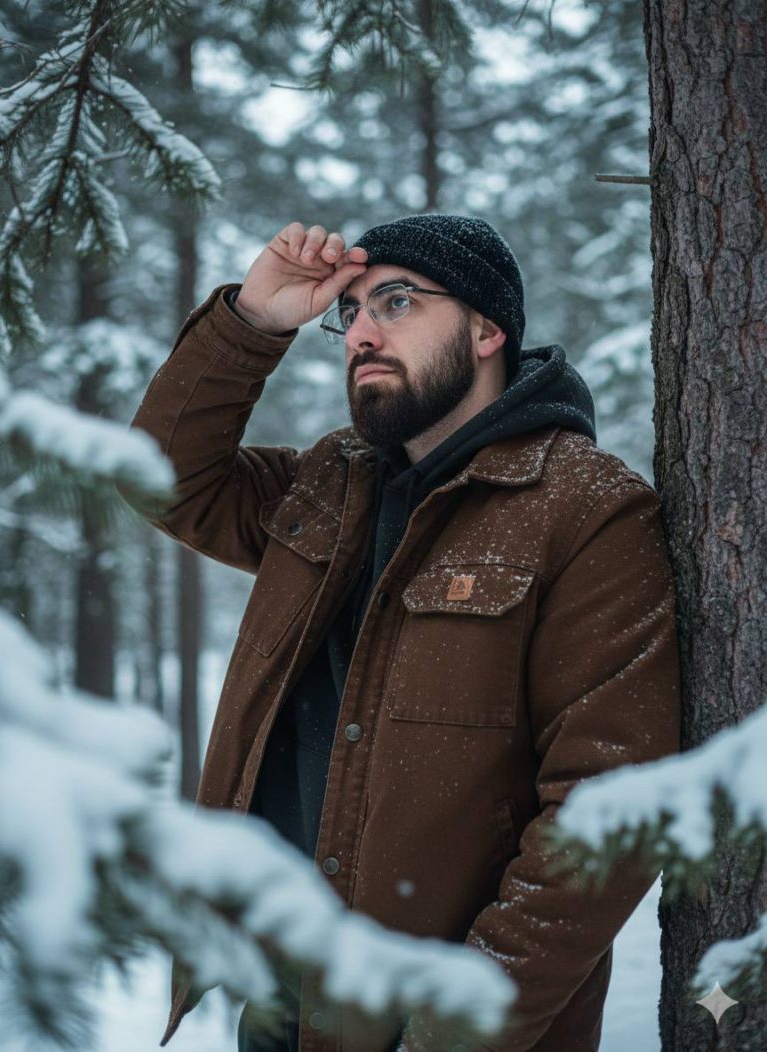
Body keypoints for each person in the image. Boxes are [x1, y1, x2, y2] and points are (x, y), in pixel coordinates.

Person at [125, 214, 681, 1052]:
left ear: (487, 330)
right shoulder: (329, 482)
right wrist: (253, 321)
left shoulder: (585, 509)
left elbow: (606, 812)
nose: (361, 334)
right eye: (350, 312)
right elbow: (161, 479)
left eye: (396, 302)